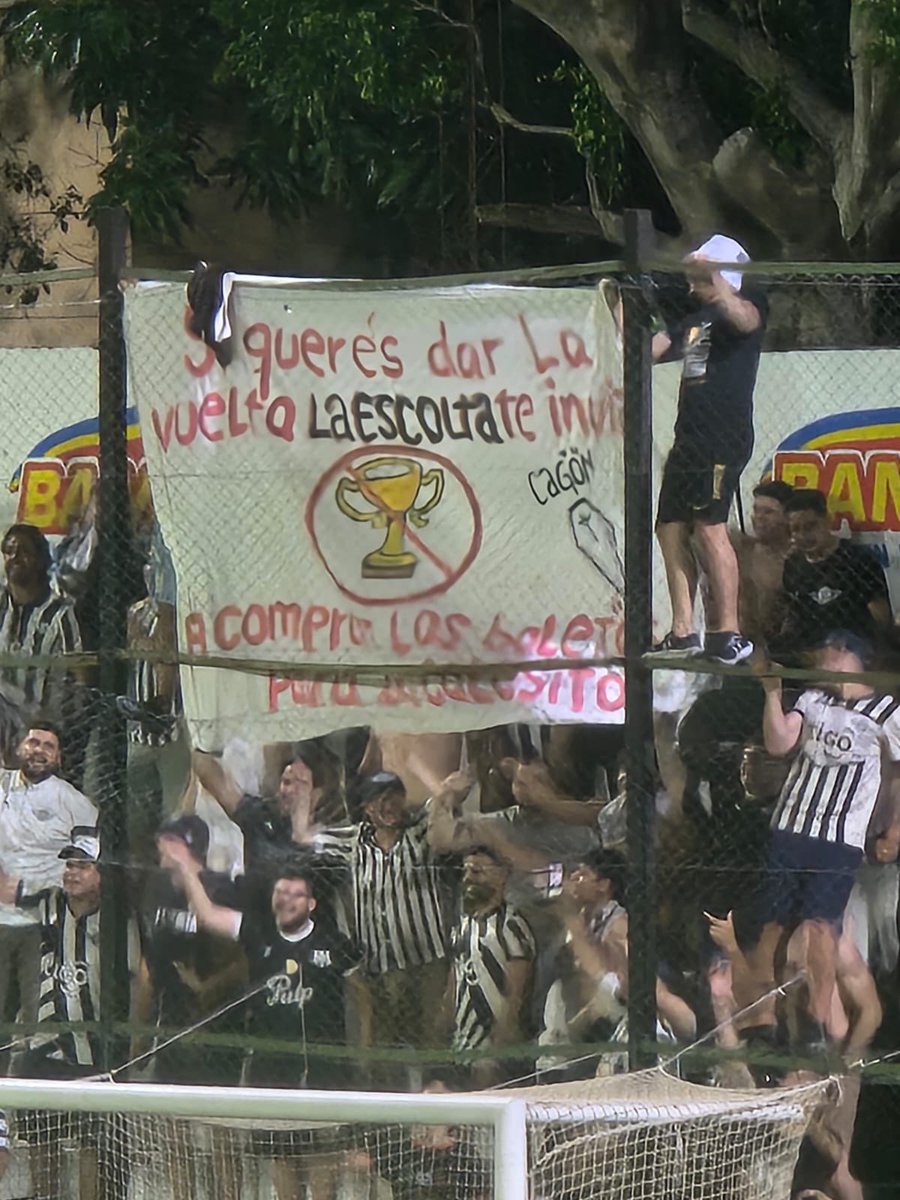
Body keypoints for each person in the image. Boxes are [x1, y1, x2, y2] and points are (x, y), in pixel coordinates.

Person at [168, 854, 359, 1200]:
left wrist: (361, 1055)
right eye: (281, 892)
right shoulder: (259, 934)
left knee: (322, 1156)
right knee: (281, 1158)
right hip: (273, 1072)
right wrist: (186, 869)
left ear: (312, 904)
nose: (286, 900)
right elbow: (208, 915)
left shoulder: (333, 944)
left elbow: (362, 996)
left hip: (324, 1072)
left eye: (296, 894)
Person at [750, 631, 900, 1043]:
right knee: (773, 925)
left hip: (839, 836)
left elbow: (897, 777)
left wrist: (893, 829)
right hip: (791, 824)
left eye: (829, 651)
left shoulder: (888, 712)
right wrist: (772, 695)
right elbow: (779, 743)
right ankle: (767, 1015)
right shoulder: (813, 699)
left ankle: (816, 1020)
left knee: (821, 925)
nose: (821, 658)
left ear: (850, 656)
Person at [294, 771, 454, 1087]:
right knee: (384, 1046)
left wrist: (447, 788)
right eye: (380, 799)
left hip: (427, 961)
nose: (389, 804)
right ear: (367, 807)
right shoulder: (353, 841)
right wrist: (306, 805)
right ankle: (390, 1107)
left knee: (433, 1040)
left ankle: (437, 1101)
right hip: (380, 966)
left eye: (395, 796)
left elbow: (444, 803)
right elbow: (307, 842)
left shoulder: (420, 831)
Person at [651, 234, 767, 664]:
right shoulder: (698, 317)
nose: (690, 286)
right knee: (669, 526)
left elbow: (747, 320)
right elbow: (657, 348)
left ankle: (727, 632)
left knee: (709, 526)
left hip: (722, 434)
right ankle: (683, 630)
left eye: (696, 278)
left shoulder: (746, 304)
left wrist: (715, 281)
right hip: (689, 435)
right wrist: (622, 319)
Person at [6, 827, 139, 1200]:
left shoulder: (118, 920)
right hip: (45, 1044)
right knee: (38, 1134)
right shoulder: (48, 904)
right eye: (68, 865)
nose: (71, 872)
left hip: (95, 1049)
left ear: (103, 873)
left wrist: (135, 1041)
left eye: (82, 865)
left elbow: (138, 977)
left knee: (91, 1142)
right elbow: (10, 890)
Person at [0, 722, 97, 1066]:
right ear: (19, 748)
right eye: (33, 742)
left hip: (42, 928)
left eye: (48, 746)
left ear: (59, 758)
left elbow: (85, 868)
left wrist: (26, 890)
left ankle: (21, 1088)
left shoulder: (77, 805)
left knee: (32, 1025)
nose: (38, 750)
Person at [448, 846, 535, 1087]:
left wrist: (500, 1041)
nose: (468, 878)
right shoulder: (463, 925)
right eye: (466, 871)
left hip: (492, 1043)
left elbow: (517, 992)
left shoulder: (511, 926)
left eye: (477, 871)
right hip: (462, 1040)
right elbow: (455, 978)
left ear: (502, 875)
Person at [774, 489, 892, 659]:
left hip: (852, 641)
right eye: (795, 529)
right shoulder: (793, 564)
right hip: (809, 641)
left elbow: (881, 617)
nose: (803, 536)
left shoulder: (858, 559)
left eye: (810, 526)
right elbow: (793, 615)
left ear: (828, 521)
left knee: (838, 639)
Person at [0, 524, 83, 761]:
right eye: (9, 551)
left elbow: (80, 676)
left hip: (39, 723)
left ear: (40, 560)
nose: (15, 558)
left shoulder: (60, 613)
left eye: (24, 552)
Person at [735, 479, 794, 645]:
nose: (759, 518)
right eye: (756, 510)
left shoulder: (797, 560)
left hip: (779, 643)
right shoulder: (740, 548)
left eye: (768, 512)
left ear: (787, 517)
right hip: (739, 640)